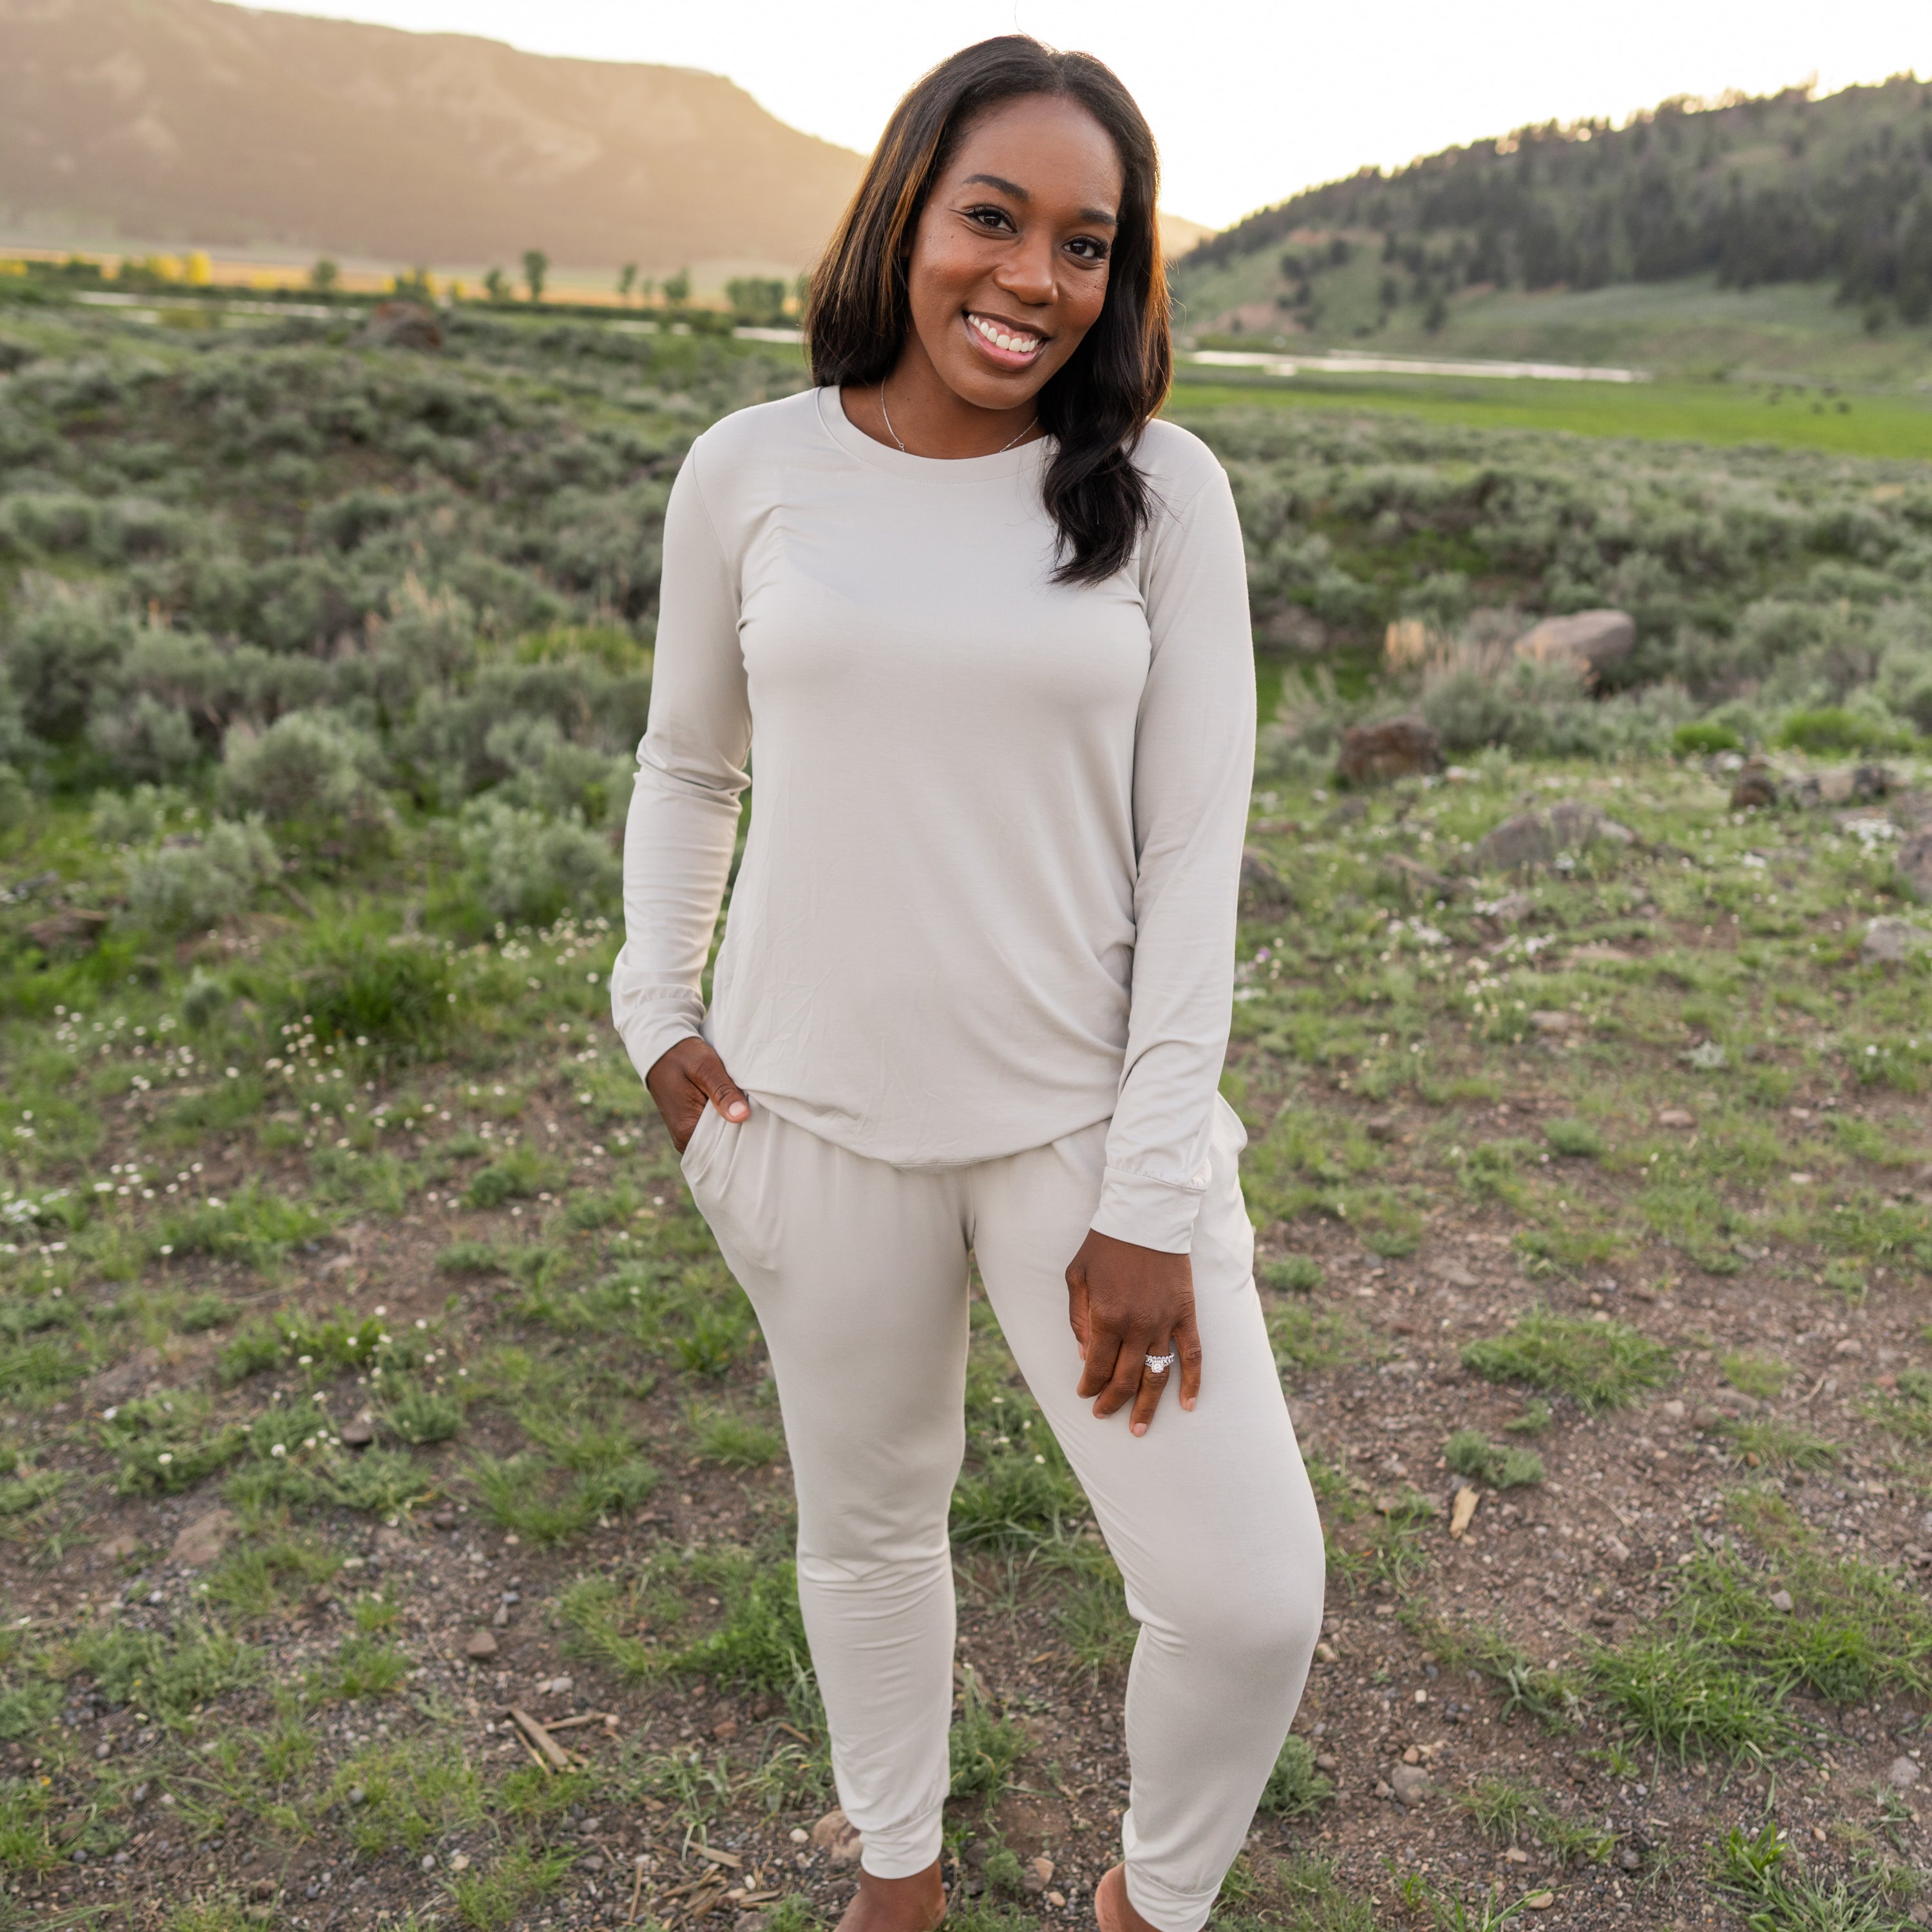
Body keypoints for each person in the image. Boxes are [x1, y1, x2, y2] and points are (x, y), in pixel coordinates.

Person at [611, 35, 1323, 1932]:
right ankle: (900, 1878)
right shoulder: (750, 469)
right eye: (991, 219)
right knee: (866, 1529)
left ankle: (1146, 1910)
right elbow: (692, 762)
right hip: (805, 1121)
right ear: (907, 213)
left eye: (1084, 244)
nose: (1031, 279)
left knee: (1247, 1597)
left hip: (1081, 1143)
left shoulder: (1164, 495)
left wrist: (1153, 1196)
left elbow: (1192, 864)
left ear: (1120, 274)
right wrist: (655, 1016)